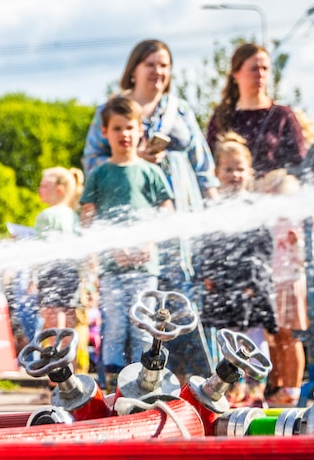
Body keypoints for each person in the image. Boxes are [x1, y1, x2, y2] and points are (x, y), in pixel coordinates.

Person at [83, 39, 218, 379]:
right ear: (135, 69)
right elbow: (92, 162)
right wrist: (134, 161)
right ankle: (130, 375)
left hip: (177, 210)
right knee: (128, 305)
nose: (158, 71)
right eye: (151, 64)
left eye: (164, 65)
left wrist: (212, 198)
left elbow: (201, 159)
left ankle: (186, 378)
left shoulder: (180, 108)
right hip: (130, 215)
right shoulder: (115, 109)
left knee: (178, 291)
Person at [81, 96, 175, 383]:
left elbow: (167, 212)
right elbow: (88, 218)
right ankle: (111, 381)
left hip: (145, 268)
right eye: (118, 128)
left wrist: (149, 242)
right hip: (111, 270)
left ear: (140, 132)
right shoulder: (99, 174)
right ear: (106, 133)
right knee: (114, 326)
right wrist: (109, 248)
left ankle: (142, 380)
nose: (125, 134)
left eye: (130, 128)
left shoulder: (151, 172)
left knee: (142, 326)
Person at [193, 133, 276, 407]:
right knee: (225, 338)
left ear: (249, 172)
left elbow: (264, 248)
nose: (234, 175)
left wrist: (256, 281)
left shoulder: (255, 207)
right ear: (217, 173)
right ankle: (232, 390)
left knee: (253, 337)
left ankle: (255, 390)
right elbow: (206, 246)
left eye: (240, 169)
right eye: (228, 169)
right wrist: (206, 275)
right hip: (222, 284)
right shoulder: (212, 208)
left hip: (250, 284)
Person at [257, 169, 314, 408]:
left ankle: (292, 389)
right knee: (273, 337)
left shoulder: (304, 219)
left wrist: (297, 245)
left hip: (291, 282)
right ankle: (277, 385)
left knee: (291, 337)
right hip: (269, 283)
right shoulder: (265, 221)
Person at [206, 42, 307, 177]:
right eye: (254, 69)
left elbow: (299, 163)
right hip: (231, 193)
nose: (260, 74)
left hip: (273, 193)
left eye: (265, 68)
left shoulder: (282, 115)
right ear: (236, 73)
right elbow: (208, 162)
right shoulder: (223, 115)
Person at [34, 167, 91, 372]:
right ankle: (71, 376)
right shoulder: (74, 217)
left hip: (50, 274)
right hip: (72, 276)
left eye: (44, 185)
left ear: (59, 189)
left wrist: (34, 277)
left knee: (51, 329)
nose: (39, 189)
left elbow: (40, 251)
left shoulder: (45, 216)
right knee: (68, 330)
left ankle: (53, 381)